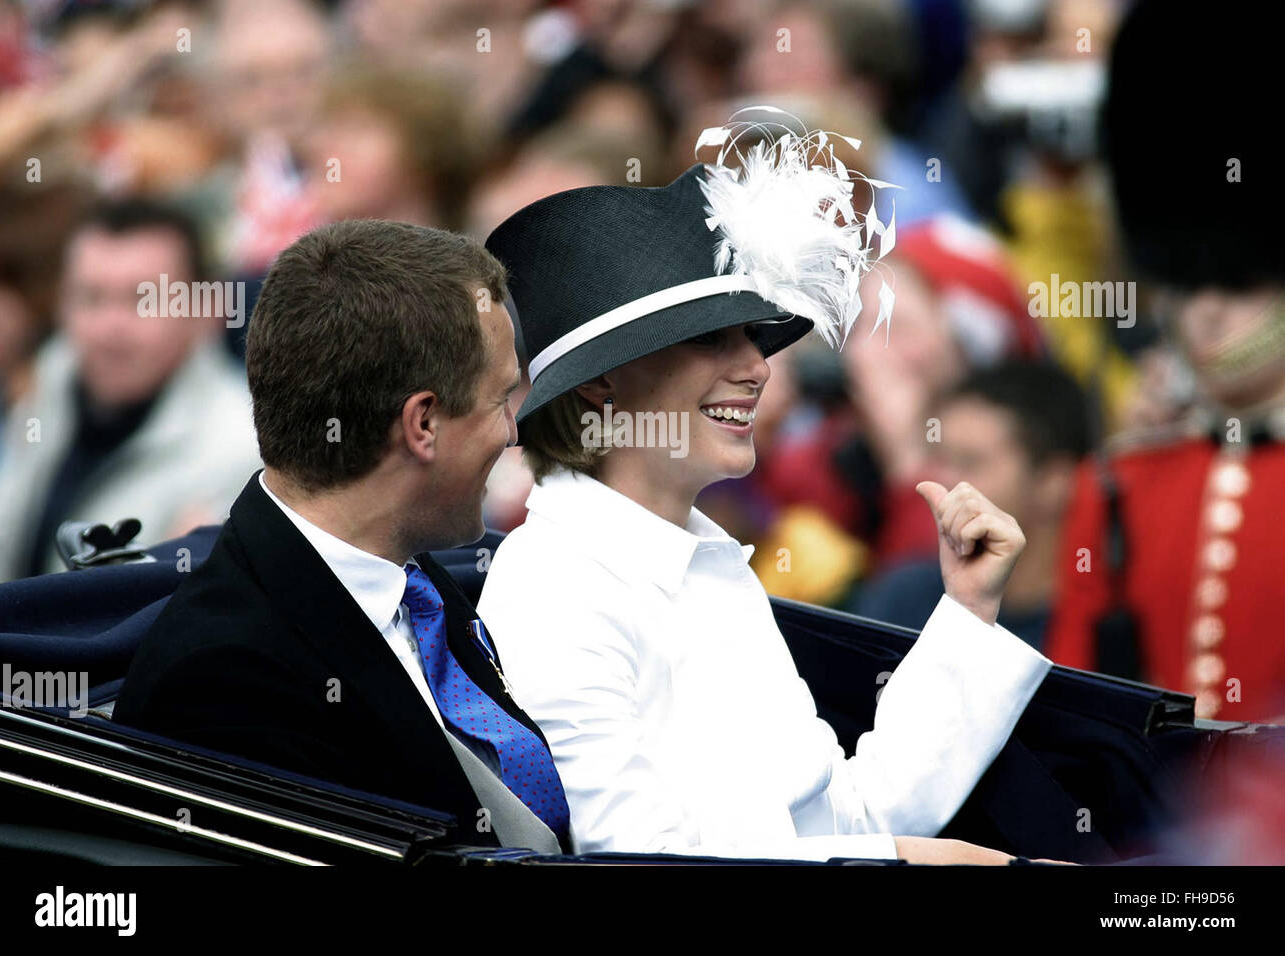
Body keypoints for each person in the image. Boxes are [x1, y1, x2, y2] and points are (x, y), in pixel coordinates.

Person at [477, 126, 1053, 863]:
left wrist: (967, 612)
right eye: (712, 339)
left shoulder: (706, 564)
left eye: (752, 336)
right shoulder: (553, 586)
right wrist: (908, 862)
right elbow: (630, 860)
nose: (758, 368)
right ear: (600, 381)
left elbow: (843, 816)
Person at [114, 220, 567, 853]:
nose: (512, 433)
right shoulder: (224, 690)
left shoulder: (413, 580)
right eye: (500, 400)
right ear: (424, 423)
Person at [1045, 0, 1285, 722]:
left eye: (1240, 286)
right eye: (1189, 286)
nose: (1207, 312)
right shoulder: (1119, 484)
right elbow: (1080, 705)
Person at [0, 198, 259, 583]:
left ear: (207, 309)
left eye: (143, 300)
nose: (110, 327)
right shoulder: (53, 375)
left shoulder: (243, 450)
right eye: (90, 297)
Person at [852, 359, 1092, 651]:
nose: (946, 482)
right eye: (941, 458)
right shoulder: (901, 598)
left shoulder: (1101, 623)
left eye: (970, 462)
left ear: (1054, 482)